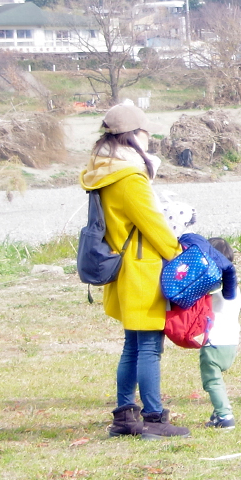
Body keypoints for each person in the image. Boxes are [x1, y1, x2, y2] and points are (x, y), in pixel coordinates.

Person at [79, 102, 188, 438]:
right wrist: (178, 253)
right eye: (146, 133)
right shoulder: (129, 177)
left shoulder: (104, 171)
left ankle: (125, 417)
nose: (149, 140)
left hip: (122, 268)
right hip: (142, 271)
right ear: (133, 136)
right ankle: (155, 419)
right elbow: (152, 223)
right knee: (149, 348)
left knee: (132, 345)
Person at [199, 238, 241, 427]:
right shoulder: (235, 289)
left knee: (212, 381)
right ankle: (218, 413)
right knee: (217, 381)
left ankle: (225, 415)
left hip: (214, 342)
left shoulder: (213, 287)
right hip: (231, 342)